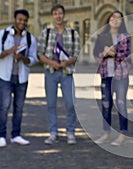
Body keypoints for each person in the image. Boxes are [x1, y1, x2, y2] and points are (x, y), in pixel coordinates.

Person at [37, 4, 80, 145]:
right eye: (55, 13)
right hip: (51, 72)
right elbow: (40, 54)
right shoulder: (46, 33)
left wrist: (67, 62)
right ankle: (53, 133)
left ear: (64, 15)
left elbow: (76, 54)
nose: (58, 16)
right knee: (51, 104)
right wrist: (52, 63)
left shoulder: (73, 33)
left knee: (70, 103)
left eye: (60, 13)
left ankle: (70, 132)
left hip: (67, 73)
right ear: (52, 16)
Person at [0, 9, 38, 147]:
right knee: (4, 107)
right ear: (15, 19)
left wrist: (23, 58)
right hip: (5, 77)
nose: (22, 22)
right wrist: (10, 51)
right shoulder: (3, 35)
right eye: (20, 19)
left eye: (24, 20)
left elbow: (33, 59)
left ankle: (16, 135)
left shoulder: (30, 38)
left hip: (21, 78)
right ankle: (1, 135)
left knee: (19, 107)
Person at [93, 11, 131, 146]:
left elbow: (124, 55)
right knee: (106, 105)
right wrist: (105, 53)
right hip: (106, 75)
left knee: (121, 104)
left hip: (121, 76)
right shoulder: (102, 37)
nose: (115, 19)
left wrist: (110, 53)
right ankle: (106, 133)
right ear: (108, 20)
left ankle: (122, 135)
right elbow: (96, 56)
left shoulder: (125, 37)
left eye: (119, 18)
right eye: (113, 17)